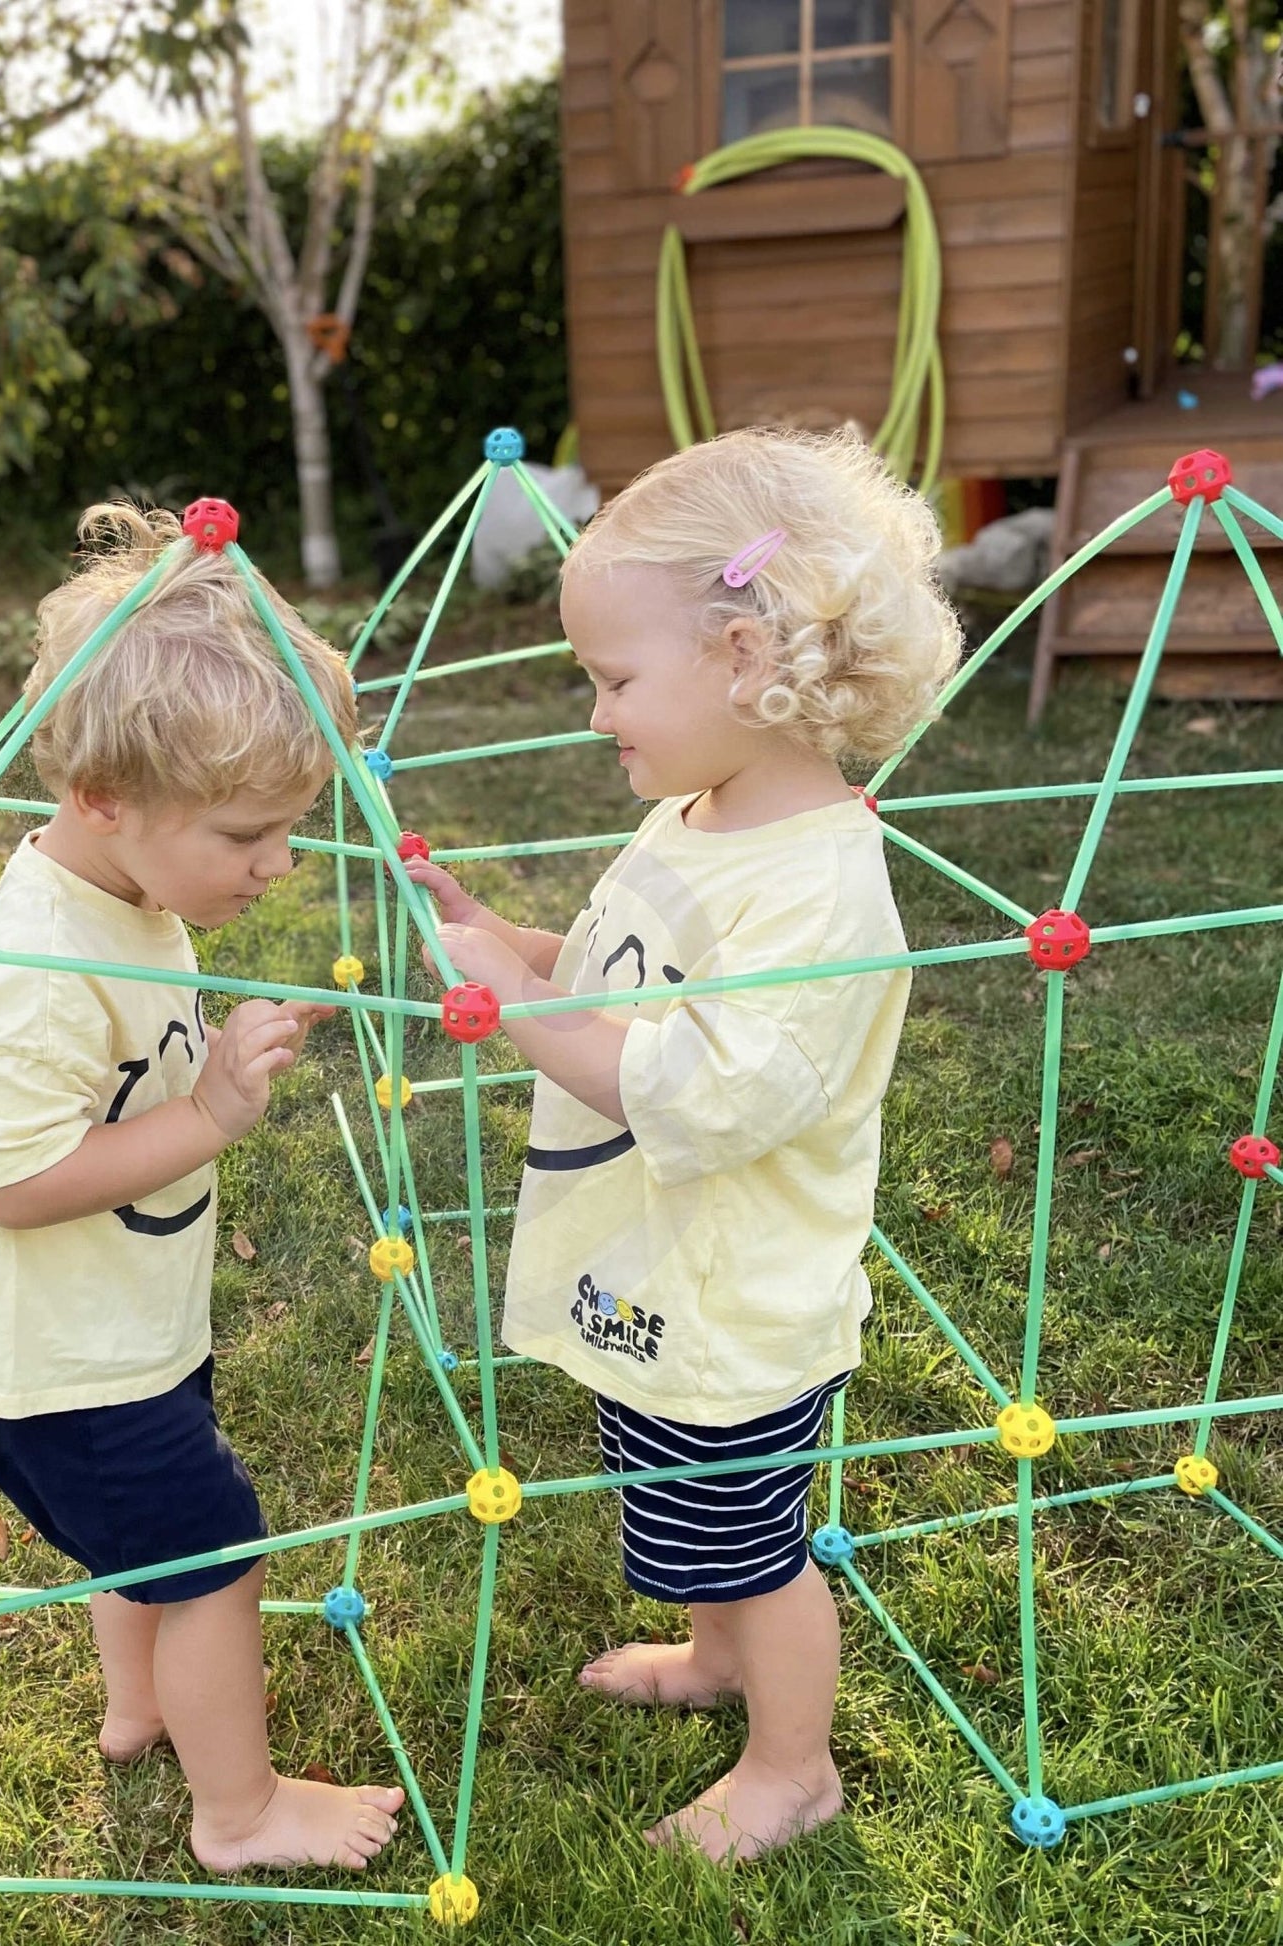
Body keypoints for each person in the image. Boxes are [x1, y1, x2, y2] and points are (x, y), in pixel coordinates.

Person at [405, 427, 961, 1863]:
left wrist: (517, 1008)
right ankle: (715, 1659)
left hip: (736, 1292)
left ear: (735, 654)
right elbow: (604, 974)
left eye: (611, 678)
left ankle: (791, 1763)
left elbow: (696, 1093)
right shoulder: (689, 817)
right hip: (653, 1270)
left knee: (752, 1542)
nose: (595, 716)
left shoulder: (820, 893)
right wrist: (500, 939)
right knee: (681, 1501)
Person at [0, 503, 404, 1873]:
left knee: (141, 1544)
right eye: (247, 832)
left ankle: (141, 1708)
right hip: (62, 1359)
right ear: (100, 800)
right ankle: (235, 1810)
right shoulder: (36, 975)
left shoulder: (124, 897)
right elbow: (15, 1181)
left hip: (110, 1332)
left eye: (288, 829)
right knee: (214, 1554)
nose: (281, 863)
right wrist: (205, 1114)